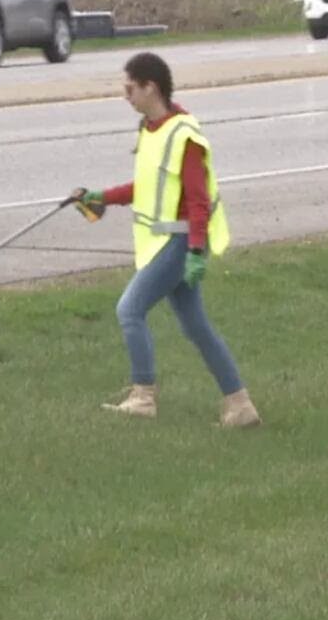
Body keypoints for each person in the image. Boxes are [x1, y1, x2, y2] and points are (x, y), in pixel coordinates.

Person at [75, 52, 260, 428]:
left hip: (179, 244)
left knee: (129, 310)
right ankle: (240, 405)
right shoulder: (151, 128)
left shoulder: (184, 134)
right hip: (163, 244)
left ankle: (143, 396)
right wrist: (102, 197)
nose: (125, 95)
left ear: (150, 87)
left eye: (130, 88)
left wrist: (194, 251)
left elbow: (198, 200)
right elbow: (147, 187)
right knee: (196, 326)